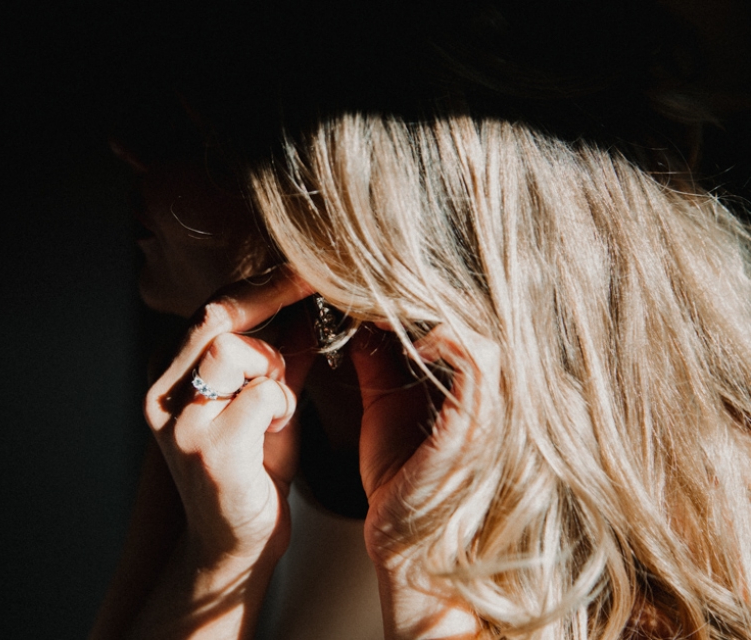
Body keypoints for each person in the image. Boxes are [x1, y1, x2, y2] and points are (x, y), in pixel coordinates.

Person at [93, 2, 751, 638]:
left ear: (339, 215)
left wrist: (414, 569)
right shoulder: (222, 420)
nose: (122, 150)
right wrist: (219, 559)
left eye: (172, 132)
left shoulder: (699, 477)